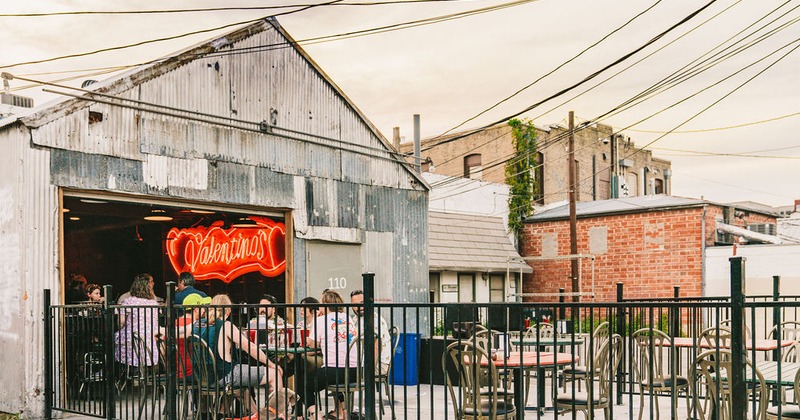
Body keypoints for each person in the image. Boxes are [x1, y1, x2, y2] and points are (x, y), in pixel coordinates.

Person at [191, 294, 284, 415]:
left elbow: (177, 331)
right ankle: (276, 414)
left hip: (203, 378)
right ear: (228, 311)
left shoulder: (196, 324)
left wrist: (158, 332)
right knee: (274, 374)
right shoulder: (226, 326)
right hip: (225, 375)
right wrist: (270, 363)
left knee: (241, 389)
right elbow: (250, 347)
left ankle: (254, 415)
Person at [297, 290, 358, 420]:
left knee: (303, 383)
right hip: (355, 371)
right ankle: (345, 413)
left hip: (333, 371)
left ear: (325, 304)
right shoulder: (347, 318)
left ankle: (316, 416)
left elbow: (312, 345)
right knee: (336, 380)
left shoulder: (321, 320)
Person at [114, 273, 160, 369]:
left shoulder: (128, 302)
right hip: (150, 341)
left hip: (132, 340)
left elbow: (121, 322)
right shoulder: (153, 303)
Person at [350, 290, 392, 376]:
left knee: (342, 374)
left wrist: (368, 368)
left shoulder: (375, 320)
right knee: (338, 372)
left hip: (378, 364)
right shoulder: (354, 319)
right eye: (355, 304)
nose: (360, 307)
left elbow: (377, 346)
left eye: (362, 303)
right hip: (358, 362)